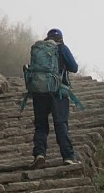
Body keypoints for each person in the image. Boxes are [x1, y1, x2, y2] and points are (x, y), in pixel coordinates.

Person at [31, 28, 79, 169]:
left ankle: (39, 154)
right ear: (61, 38)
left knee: (40, 125)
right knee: (60, 123)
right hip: (58, 93)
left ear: (48, 38)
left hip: (39, 92)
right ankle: (68, 157)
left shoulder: (39, 49)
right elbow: (74, 68)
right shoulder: (62, 48)